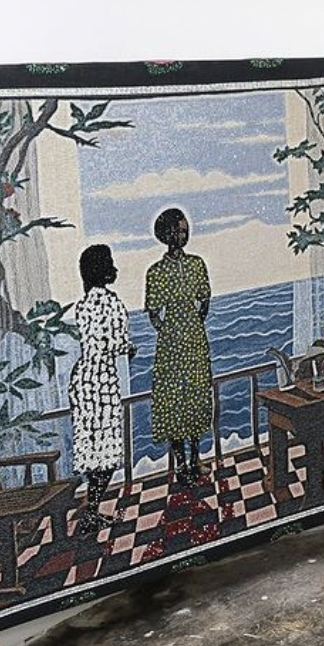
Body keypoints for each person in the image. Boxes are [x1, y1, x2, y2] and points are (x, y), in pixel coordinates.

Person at [67, 244, 135, 536]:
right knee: (106, 452)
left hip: (82, 379)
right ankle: (92, 510)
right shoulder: (111, 303)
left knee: (90, 447)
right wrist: (129, 348)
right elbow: (116, 344)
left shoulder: (83, 305)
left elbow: (92, 342)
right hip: (101, 382)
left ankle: (91, 507)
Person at [144, 208, 214, 485]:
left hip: (195, 342)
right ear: (166, 234)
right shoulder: (156, 272)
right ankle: (181, 465)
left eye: (185, 231)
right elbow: (153, 313)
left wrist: (192, 327)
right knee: (173, 403)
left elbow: (204, 301)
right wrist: (169, 332)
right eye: (178, 231)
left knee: (196, 399)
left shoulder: (197, 264)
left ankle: (196, 458)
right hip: (170, 346)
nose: (183, 236)